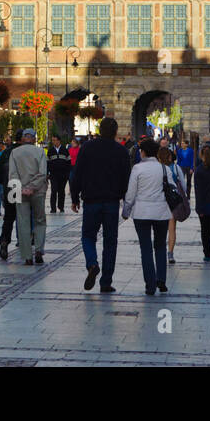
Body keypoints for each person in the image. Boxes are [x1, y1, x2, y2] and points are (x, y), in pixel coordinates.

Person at [70, 117, 131, 293]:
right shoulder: (121, 151)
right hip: (112, 202)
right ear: (115, 132)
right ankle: (106, 282)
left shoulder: (87, 147)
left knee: (88, 236)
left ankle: (92, 263)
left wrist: (75, 197)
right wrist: (123, 196)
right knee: (110, 242)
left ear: (99, 130)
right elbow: (126, 178)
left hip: (91, 201)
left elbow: (77, 173)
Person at [122, 139, 171, 296]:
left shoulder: (137, 169)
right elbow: (173, 188)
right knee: (160, 245)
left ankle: (150, 285)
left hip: (142, 213)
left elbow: (130, 194)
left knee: (146, 248)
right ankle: (161, 280)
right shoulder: (164, 169)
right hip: (161, 212)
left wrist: (126, 211)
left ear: (143, 152)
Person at [8, 129, 48, 264]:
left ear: (24, 138)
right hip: (38, 191)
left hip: (20, 192)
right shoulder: (40, 152)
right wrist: (32, 187)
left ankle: (27, 256)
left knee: (23, 222)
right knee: (40, 220)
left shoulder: (15, 152)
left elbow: (12, 174)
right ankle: (38, 250)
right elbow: (42, 173)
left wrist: (22, 188)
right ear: (34, 138)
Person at [157, 147, 186, 264]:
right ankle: (170, 253)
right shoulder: (175, 168)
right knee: (172, 229)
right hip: (172, 202)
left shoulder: (156, 168)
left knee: (159, 229)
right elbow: (183, 186)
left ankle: (160, 251)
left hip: (160, 202)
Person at [0, 137, 19, 261]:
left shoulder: (7, 152)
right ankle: (26, 243)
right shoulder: (28, 150)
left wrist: (4, 182)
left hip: (10, 186)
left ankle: (4, 240)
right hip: (24, 187)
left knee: (9, 217)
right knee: (24, 216)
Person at [46, 134, 72, 213]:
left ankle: (61, 207)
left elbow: (69, 162)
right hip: (53, 175)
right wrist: (47, 173)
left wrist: (68, 174)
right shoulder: (50, 151)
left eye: (54, 140)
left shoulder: (65, 150)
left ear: (59, 140)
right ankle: (53, 208)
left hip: (63, 175)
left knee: (61, 191)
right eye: (52, 140)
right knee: (53, 191)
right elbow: (47, 163)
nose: (53, 142)